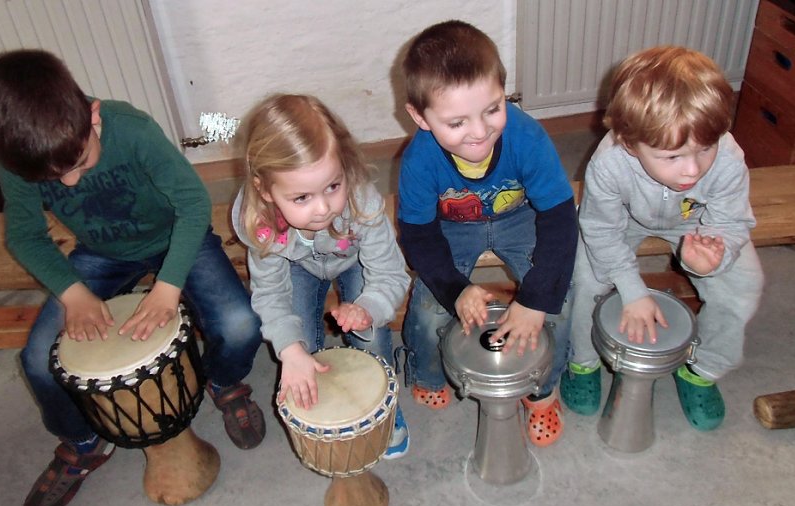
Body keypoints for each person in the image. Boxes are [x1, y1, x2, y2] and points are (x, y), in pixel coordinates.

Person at [0, 49, 265, 506]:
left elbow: (191, 204)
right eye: (53, 177)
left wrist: (168, 285)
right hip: (100, 253)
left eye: (79, 162)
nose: (69, 182)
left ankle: (224, 380)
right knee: (38, 361)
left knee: (240, 323)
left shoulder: (132, 128)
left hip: (175, 236)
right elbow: (24, 237)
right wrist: (73, 293)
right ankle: (83, 441)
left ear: (93, 116)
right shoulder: (16, 160)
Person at [561, 46, 763, 430]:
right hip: (622, 219)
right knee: (585, 278)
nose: (692, 170)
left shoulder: (727, 159)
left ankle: (701, 370)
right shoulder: (609, 161)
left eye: (705, 149)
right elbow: (600, 229)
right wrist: (632, 290)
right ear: (629, 142)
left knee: (743, 284)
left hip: (696, 222)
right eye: (672, 157)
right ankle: (582, 361)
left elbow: (732, 221)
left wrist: (713, 256)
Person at [396, 20, 578, 447]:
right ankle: (427, 374)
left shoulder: (527, 137)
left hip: (520, 217)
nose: (479, 132)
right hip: (451, 228)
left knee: (562, 301)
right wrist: (455, 290)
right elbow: (418, 236)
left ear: (503, 91)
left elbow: (560, 219)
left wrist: (536, 300)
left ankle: (542, 389)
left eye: (493, 109)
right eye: (456, 122)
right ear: (420, 117)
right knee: (428, 309)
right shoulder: (418, 161)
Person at [233, 93, 412, 458]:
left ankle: (384, 408)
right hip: (297, 265)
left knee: (371, 339)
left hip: (355, 260)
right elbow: (270, 295)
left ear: (344, 166)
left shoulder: (362, 203)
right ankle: (327, 412)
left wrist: (368, 308)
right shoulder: (261, 225)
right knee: (302, 347)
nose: (322, 208)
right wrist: (291, 350)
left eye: (333, 186)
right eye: (301, 198)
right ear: (264, 190)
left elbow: (391, 274)